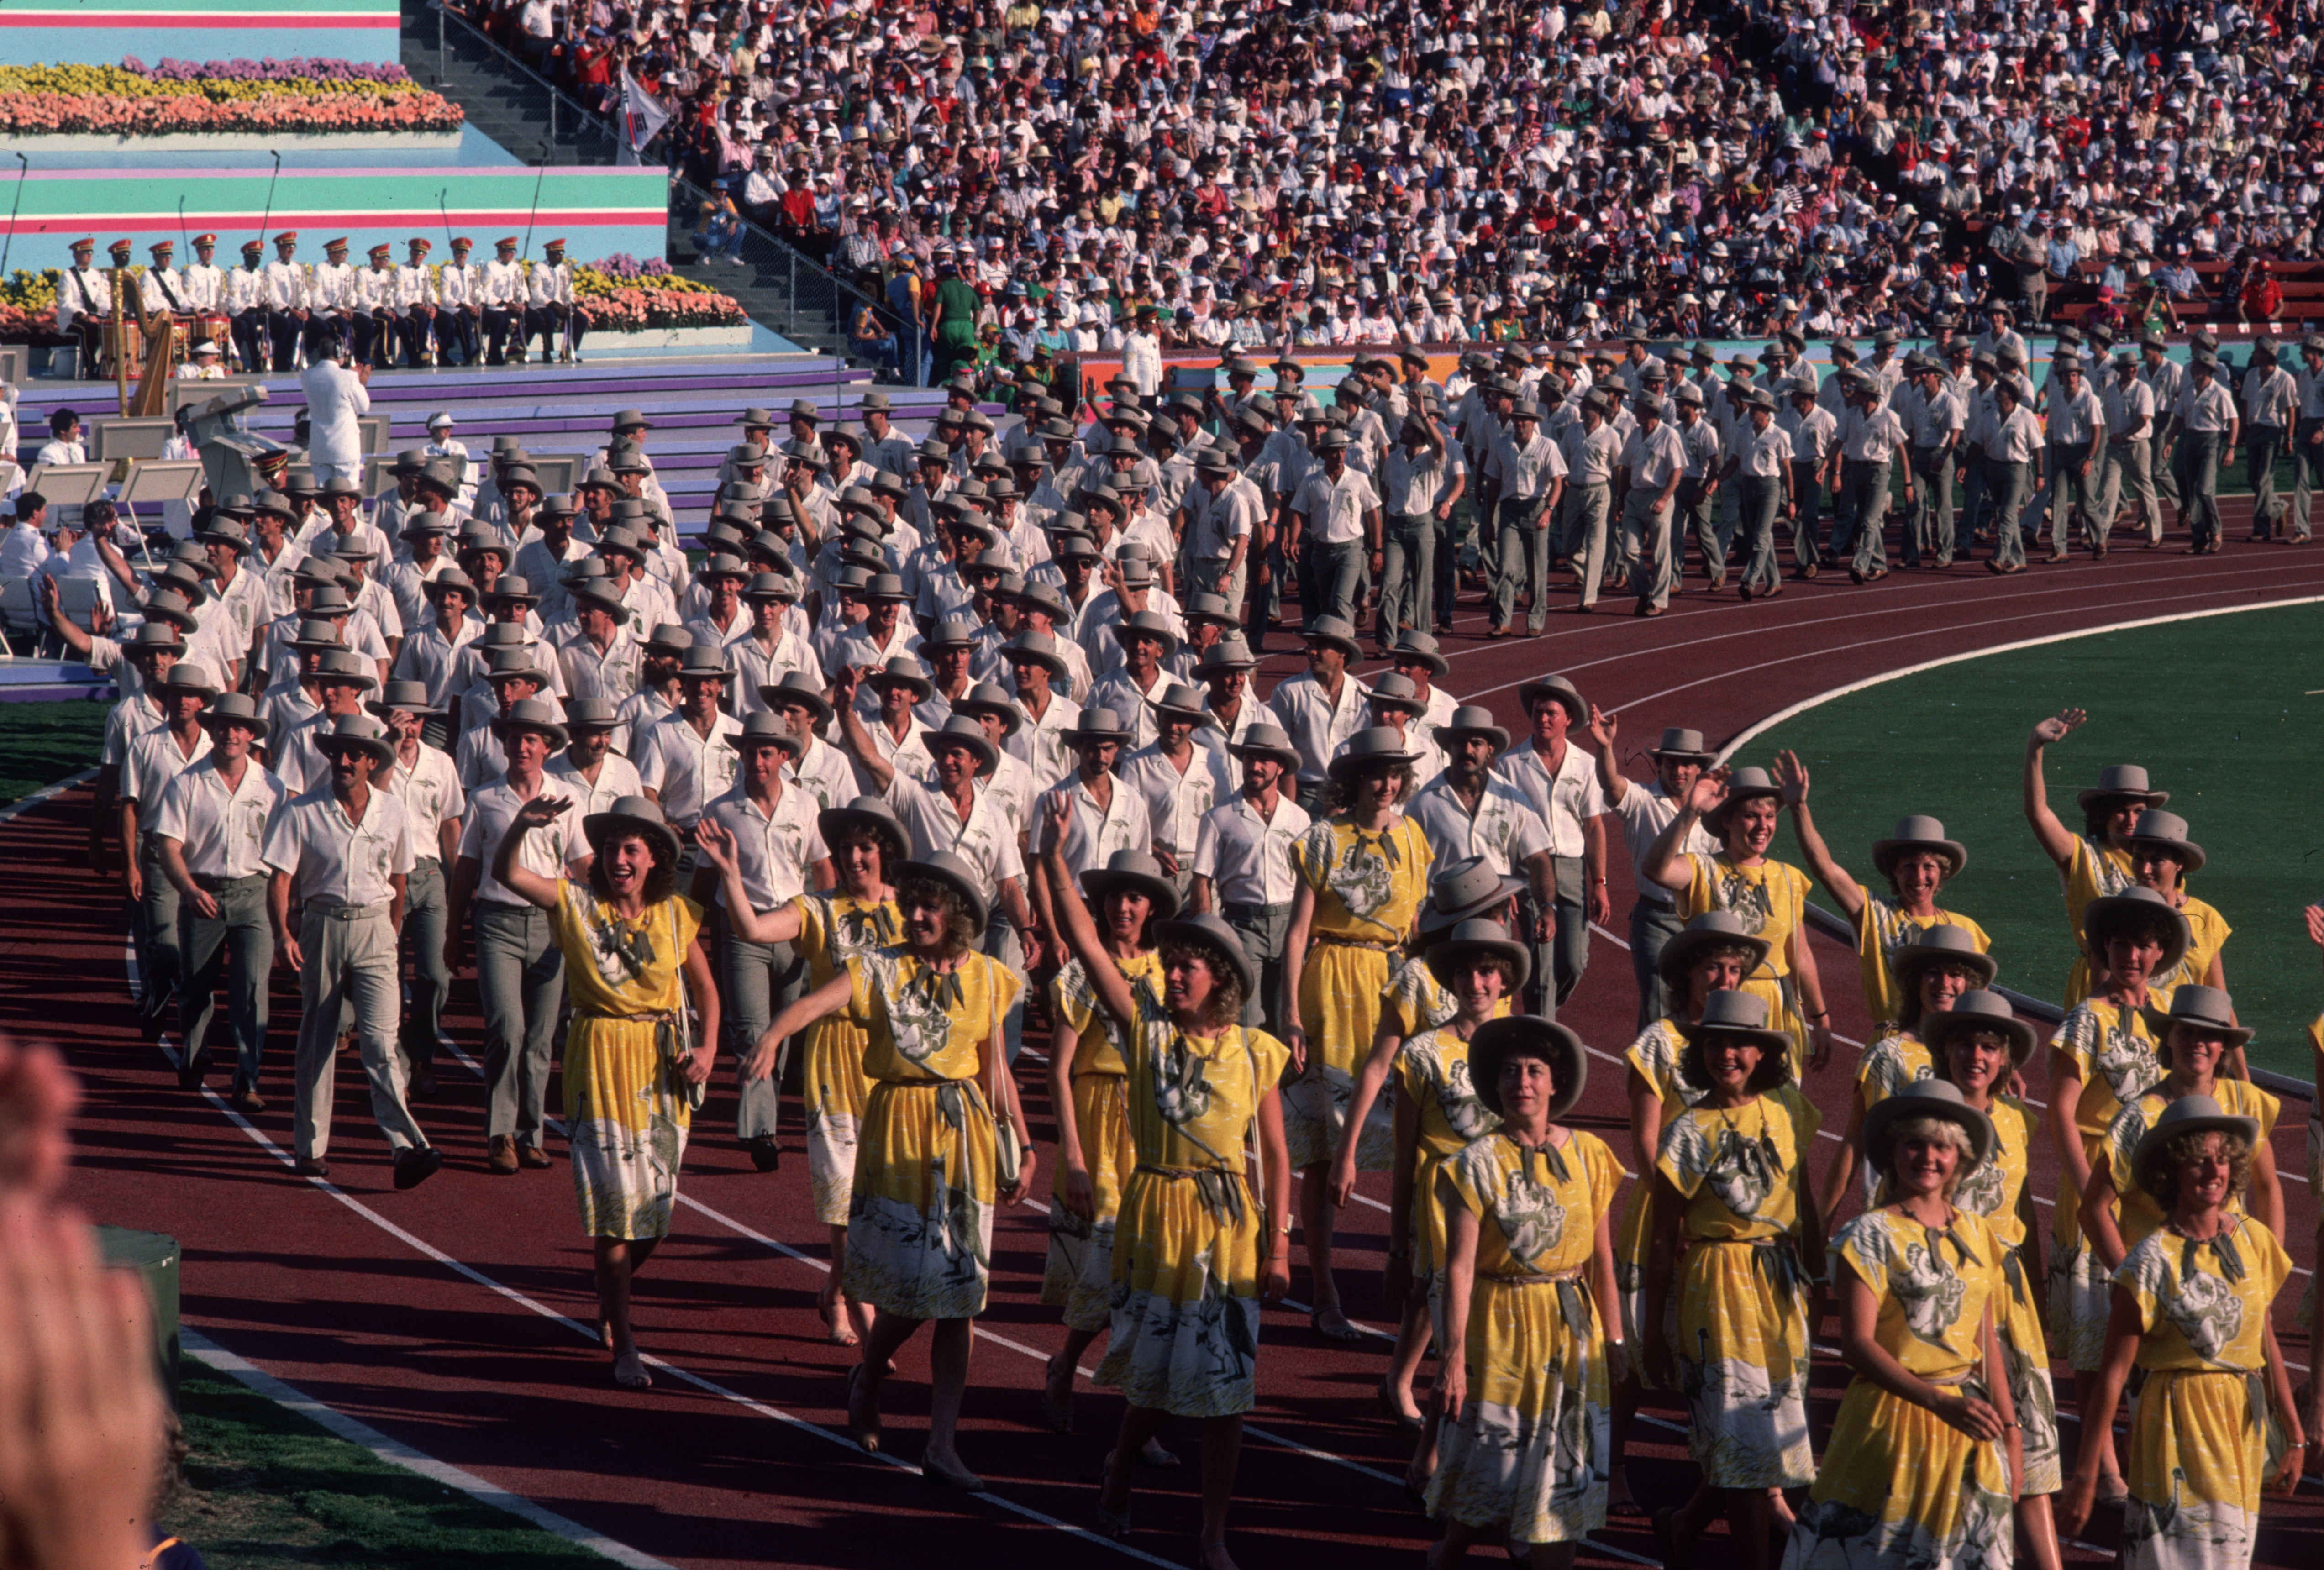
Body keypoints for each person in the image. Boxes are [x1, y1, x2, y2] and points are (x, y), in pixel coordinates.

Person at [1040, 808, 1292, 1570]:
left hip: (1227, 1227)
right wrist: (1053, 858)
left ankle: (1212, 1531)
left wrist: (1279, 1245)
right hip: (1155, 1215)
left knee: (1227, 1387)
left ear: (1222, 979)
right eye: (1172, 961)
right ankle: (1118, 1471)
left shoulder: (1255, 1051)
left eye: (1190, 964)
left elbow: (1277, 1154)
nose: (1174, 972)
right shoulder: (1143, 1031)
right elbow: (1086, 943)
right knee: (1152, 1375)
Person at [743, 849, 1036, 1491]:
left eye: (932, 904)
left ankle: (940, 1442)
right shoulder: (879, 965)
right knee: (910, 1290)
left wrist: (1022, 1134)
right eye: (913, 902)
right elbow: (819, 1001)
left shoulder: (989, 975)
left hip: (963, 1138)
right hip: (899, 1131)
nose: (918, 912)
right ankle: (869, 1374)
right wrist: (772, 1034)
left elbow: (994, 1066)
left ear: (959, 913)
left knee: (959, 1297)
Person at [489, 793, 716, 1388]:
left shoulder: (675, 914)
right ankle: (626, 1340)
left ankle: (607, 1285)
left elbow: (707, 989)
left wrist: (711, 1047)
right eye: (613, 846)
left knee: (656, 1216)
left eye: (632, 848)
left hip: (661, 1065)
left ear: (654, 859)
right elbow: (506, 873)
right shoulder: (575, 903)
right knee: (614, 1212)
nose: (619, 856)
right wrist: (521, 825)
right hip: (599, 1057)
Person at [1781, 1079, 2019, 1570]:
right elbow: (1857, 1344)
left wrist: (2010, 1428)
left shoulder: (1978, 1233)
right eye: (1914, 1142)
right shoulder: (1867, 1234)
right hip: (1889, 1422)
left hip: (1965, 1424)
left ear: (1960, 1156)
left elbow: (1984, 1340)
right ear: (1892, 1150)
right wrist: (1935, 1401)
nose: (1927, 1157)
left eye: (1941, 1145)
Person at [2057, 1096, 2306, 1563]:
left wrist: (2293, 1433)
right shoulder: (2148, 1261)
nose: (2213, 1171)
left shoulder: (2252, 1239)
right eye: (2196, 1160)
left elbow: (2263, 1337)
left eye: (2220, 1158)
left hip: (2239, 1427)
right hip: (2174, 1425)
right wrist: (2087, 1477)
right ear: (2169, 1172)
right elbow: (2112, 1377)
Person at [697, 793, 904, 1348]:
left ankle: (834, 1288)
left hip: (892, 1067)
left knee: (880, 1198)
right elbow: (755, 930)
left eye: (864, 847)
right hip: (834, 1061)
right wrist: (732, 876)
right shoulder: (818, 907)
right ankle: (855, 1306)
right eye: (845, 848)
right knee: (841, 1197)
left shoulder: (908, 910)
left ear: (882, 850)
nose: (854, 857)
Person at [1425, 1013, 1621, 1570]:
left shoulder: (1590, 1154)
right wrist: (1453, 1357)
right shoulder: (1474, 1162)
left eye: (1535, 1070)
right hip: (1500, 1324)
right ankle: (1450, 1551)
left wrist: (1615, 1337)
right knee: (1492, 1456)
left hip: (1570, 1325)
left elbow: (1601, 1257)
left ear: (1554, 1083)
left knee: (1567, 1460)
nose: (1522, 1081)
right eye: (1510, 1071)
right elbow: (1459, 1267)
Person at [1644, 990, 1824, 1570]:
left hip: (1779, 1281)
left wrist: (1816, 1278)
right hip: (1715, 1285)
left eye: (1741, 1042)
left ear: (1762, 1052)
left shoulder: (1787, 1106)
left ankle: (1683, 1525)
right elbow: (1660, 1235)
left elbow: (1808, 1199)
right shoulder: (1687, 1129)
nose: (1729, 1053)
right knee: (1745, 1449)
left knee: (1765, 1439)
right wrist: (1652, 1329)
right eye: (1717, 1042)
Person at [1607, 911, 1767, 1515]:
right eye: (1713, 966)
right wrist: (1676, 1213)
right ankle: (1615, 1466)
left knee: (1719, 1353)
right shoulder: (1659, 1042)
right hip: (1664, 1217)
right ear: (1687, 972)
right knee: (1633, 1356)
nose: (1724, 975)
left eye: (1734, 967)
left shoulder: (1750, 1040)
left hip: (1724, 1225)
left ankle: (1718, 1480)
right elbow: (1644, 1142)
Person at [1280, 726, 1433, 1340]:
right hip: (1331, 984)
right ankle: (1323, 1288)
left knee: (1418, 1141)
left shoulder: (1415, 836)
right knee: (1322, 1151)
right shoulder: (1322, 839)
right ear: (1355, 778)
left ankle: (1413, 1277)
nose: (1387, 783)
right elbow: (1296, 932)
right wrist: (1289, 1012)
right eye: (1376, 772)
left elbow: (1418, 924)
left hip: (1393, 986)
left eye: (1395, 773)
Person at [1033, 848, 1183, 1467]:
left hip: (1149, 1128)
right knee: (1106, 1269)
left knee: (1142, 1276)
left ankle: (1133, 1412)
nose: (1124, 906)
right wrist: (1070, 1153)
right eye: (1116, 895)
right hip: (1097, 1124)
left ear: (1150, 908)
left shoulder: (1169, 973)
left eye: (1136, 897)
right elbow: (1058, 1072)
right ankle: (1067, 1362)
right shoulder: (1078, 976)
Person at [2046, 885, 2190, 1498]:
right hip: (2092, 1190)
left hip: (2148, 1199)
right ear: (2104, 946)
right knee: (2092, 1334)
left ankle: (2138, 1447)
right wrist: (2087, 1197)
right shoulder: (2087, 1016)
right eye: (2122, 941)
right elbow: (2060, 1107)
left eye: (2144, 943)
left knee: (2143, 1327)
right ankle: (2101, 1460)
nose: (2132, 953)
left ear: (2159, 953)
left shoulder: (2165, 1016)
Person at [1372, 918, 1524, 1491]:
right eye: (1465, 971)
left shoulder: (1520, 1042)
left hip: (1502, 1206)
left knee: (1479, 1334)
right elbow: (1404, 1151)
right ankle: (1433, 1454)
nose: (1476, 982)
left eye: (1487, 971)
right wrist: (1394, 1243)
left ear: (1504, 977)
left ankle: (1434, 1449)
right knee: (1455, 1333)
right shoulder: (1422, 1052)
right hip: (1441, 1208)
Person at [261, 715, 441, 1186]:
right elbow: (280, 877)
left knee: (381, 1042)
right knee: (318, 1038)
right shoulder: (302, 811)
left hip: (375, 929)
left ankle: (405, 1148)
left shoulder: (393, 810)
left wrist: (392, 934)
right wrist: (283, 932)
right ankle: (311, 1147)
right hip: (322, 925)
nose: (343, 761)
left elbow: (399, 879)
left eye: (354, 754)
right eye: (338, 752)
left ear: (371, 761)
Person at [2079, 987, 2283, 1313]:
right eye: (2186, 1031)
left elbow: (2268, 1185)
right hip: (2162, 1292)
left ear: (2223, 1046)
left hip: (2229, 1286)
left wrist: (2265, 1277)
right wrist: (2133, 1284)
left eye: (2209, 1034)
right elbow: (2093, 1208)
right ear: (2169, 1038)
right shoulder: (2139, 1117)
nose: (2197, 1042)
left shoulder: (2246, 1101)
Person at [450, 698, 586, 1175]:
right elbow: (467, 865)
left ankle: (532, 1133)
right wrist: (453, 930)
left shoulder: (569, 796)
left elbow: (583, 862)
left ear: (547, 747)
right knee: (505, 1028)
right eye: (514, 737)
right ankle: (500, 1133)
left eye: (531, 738)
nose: (521, 746)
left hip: (551, 926)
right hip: (496, 923)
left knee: (540, 1038)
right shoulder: (484, 798)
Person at [1643, 766, 1833, 1079]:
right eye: (1751, 816)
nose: (1763, 826)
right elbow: (1655, 869)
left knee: (1775, 1113)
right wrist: (1689, 812)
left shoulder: (1788, 878)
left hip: (1776, 1007)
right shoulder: (1703, 869)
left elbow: (1800, 955)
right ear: (1726, 819)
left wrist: (1821, 1017)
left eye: (1769, 816)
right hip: (1718, 1003)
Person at [1777, 756, 1991, 1031]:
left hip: (1948, 1048)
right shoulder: (1874, 913)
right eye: (1909, 867)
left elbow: (1979, 1000)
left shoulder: (1966, 929)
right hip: (1891, 1048)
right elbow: (1826, 870)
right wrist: (1799, 808)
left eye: (1929, 867)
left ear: (1943, 871)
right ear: (1894, 871)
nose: (1919, 877)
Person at [154, 693, 284, 1110]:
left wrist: (287, 907)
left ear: (251, 735)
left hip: (254, 895)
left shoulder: (272, 787)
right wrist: (190, 890)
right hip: (202, 895)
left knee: (251, 988)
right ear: (212, 731)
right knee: (196, 987)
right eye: (223, 726)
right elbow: (168, 846)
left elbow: (284, 854)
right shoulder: (187, 783)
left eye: (239, 727)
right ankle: (195, 1054)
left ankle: (248, 1076)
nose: (230, 734)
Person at [1821, 924, 1993, 1212]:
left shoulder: (1984, 1062)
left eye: (1955, 974)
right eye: (1933, 972)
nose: (1944, 983)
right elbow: (1854, 1140)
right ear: (1916, 982)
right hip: (1905, 1217)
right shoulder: (1890, 1056)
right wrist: (1822, 1220)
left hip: (1973, 1223)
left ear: (1970, 984)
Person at [2020, 707, 2163, 1007]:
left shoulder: (2162, 862)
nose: (2129, 819)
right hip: (2095, 983)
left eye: (2139, 811)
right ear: (2102, 814)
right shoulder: (2081, 853)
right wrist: (2035, 747)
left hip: (2153, 983)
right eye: (2120, 810)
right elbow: (2037, 813)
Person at [1589, 715, 1719, 1029]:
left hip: (1701, 920)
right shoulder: (1641, 799)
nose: (1678, 770)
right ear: (1659, 764)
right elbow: (1611, 784)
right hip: (1655, 919)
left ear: (1699, 768)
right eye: (1671, 762)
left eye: (1687, 764)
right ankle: (1654, 1072)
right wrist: (1606, 748)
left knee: (1701, 1008)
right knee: (1658, 1005)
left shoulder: (1713, 812)